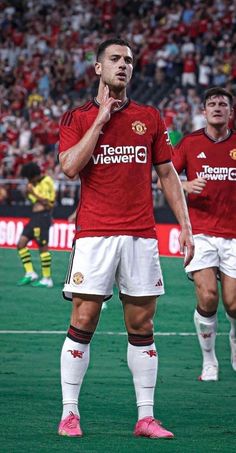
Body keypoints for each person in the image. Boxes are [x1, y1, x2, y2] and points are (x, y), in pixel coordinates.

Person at [58, 38, 194, 439]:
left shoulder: (149, 117)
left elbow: (167, 173)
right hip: (95, 235)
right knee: (83, 320)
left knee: (142, 323)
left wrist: (185, 224)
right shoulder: (76, 118)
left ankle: (146, 417)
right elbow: (68, 166)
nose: (124, 65)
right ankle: (70, 414)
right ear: (98, 68)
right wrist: (100, 120)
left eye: (129, 60)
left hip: (140, 235)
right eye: (115, 59)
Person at [171, 86, 236, 381]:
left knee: (233, 303)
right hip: (202, 233)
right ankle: (209, 361)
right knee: (208, 297)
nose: (217, 107)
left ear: (230, 112)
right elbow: (166, 176)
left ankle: (234, 337)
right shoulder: (189, 143)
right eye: (212, 104)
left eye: (223, 104)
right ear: (204, 111)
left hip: (233, 234)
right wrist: (184, 186)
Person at [17, 162, 55, 288]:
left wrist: (32, 193)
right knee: (21, 244)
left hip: (43, 217)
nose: (28, 180)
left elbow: (48, 203)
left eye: (29, 177)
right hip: (34, 218)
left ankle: (47, 278)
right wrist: (27, 194)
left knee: (42, 247)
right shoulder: (34, 184)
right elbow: (34, 202)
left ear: (34, 175)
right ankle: (30, 273)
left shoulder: (47, 181)